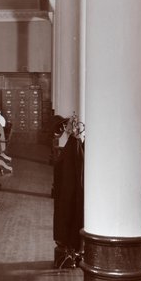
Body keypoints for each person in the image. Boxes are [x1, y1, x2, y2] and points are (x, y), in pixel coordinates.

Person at [52, 115, 85, 270]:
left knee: (68, 219)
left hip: (69, 192)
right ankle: (69, 250)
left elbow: (74, 172)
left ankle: (71, 252)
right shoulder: (72, 143)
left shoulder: (74, 144)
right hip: (65, 191)